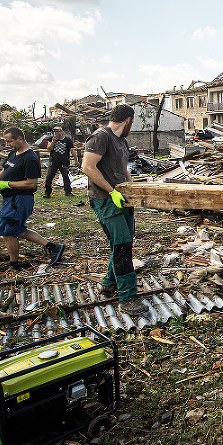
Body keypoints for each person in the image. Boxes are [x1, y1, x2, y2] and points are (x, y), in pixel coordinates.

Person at [81, 105, 150, 319]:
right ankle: (128, 297)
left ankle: (109, 284)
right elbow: (88, 167)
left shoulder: (122, 140)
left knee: (124, 241)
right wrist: (111, 191)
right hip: (105, 199)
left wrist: (132, 189)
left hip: (122, 198)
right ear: (128, 119)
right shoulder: (100, 137)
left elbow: (123, 169)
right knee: (122, 246)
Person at [0, 127, 65, 272]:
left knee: (8, 232)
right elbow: (5, 170)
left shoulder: (30, 158)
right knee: (18, 230)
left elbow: (31, 183)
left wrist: (7, 184)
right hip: (10, 199)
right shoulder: (13, 153)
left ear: (20, 138)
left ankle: (14, 265)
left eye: (9, 141)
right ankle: (53, 247)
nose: (7, 145)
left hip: (19, 200)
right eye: (5, 141)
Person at [44, 126, 80, 198]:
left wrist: (76, 160)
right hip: (53, 161)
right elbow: (48, 149)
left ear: (61, 132)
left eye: (57, 131)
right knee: (49, 177)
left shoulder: (67, 140)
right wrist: (53, 141)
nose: (55, 133)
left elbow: (72, 150)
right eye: (54, 131)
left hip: (64, 161)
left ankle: (68, 192)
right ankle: (47, 193)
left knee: (65, 177)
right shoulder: (51, 138)